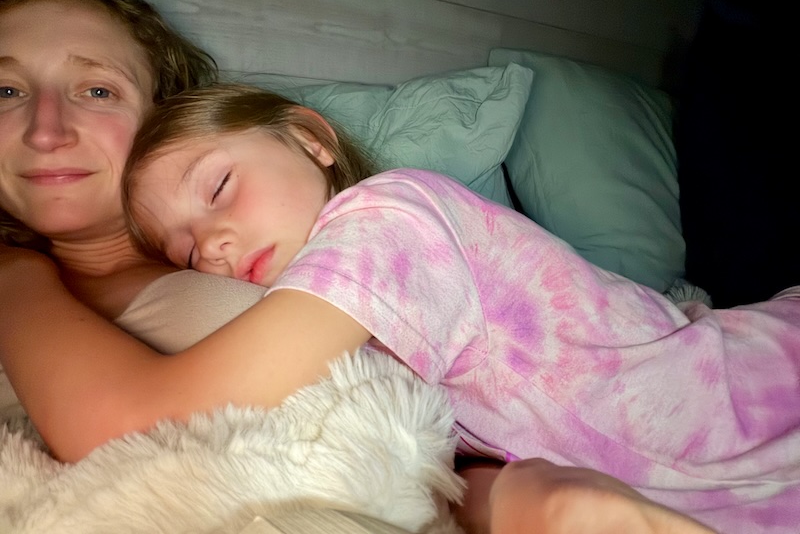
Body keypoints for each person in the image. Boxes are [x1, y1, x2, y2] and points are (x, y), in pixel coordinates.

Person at [0, 0, 773, 534]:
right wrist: (525, 498)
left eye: (97, 87)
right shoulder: (327, 280)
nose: (45, 127)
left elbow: (149, 416)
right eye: (3, 89)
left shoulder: (391, 218)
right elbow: (460, 442)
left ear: (310, 139)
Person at [119, 83, 800, 534]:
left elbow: (167, 406)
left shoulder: (387, 215)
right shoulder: (356, 328)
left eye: (219, 188)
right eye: (182, 252)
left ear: (309, 140)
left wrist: (31, 274)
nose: (210, 248)